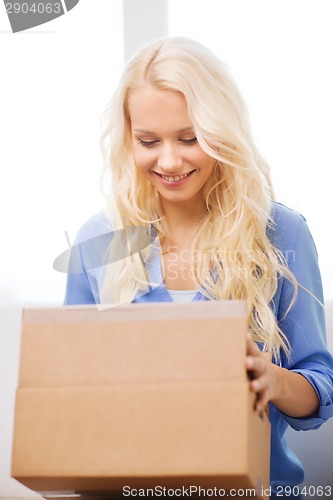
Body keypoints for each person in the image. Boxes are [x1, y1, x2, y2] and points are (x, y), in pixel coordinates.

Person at [64, 37, 333, 497]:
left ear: (223, 133)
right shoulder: (97, 241)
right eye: (149, 141)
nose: (169, 161)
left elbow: (320, 390)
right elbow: (67, 388)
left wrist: (272, 378)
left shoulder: (281, 233)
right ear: (128, 138)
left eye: (190, 138)